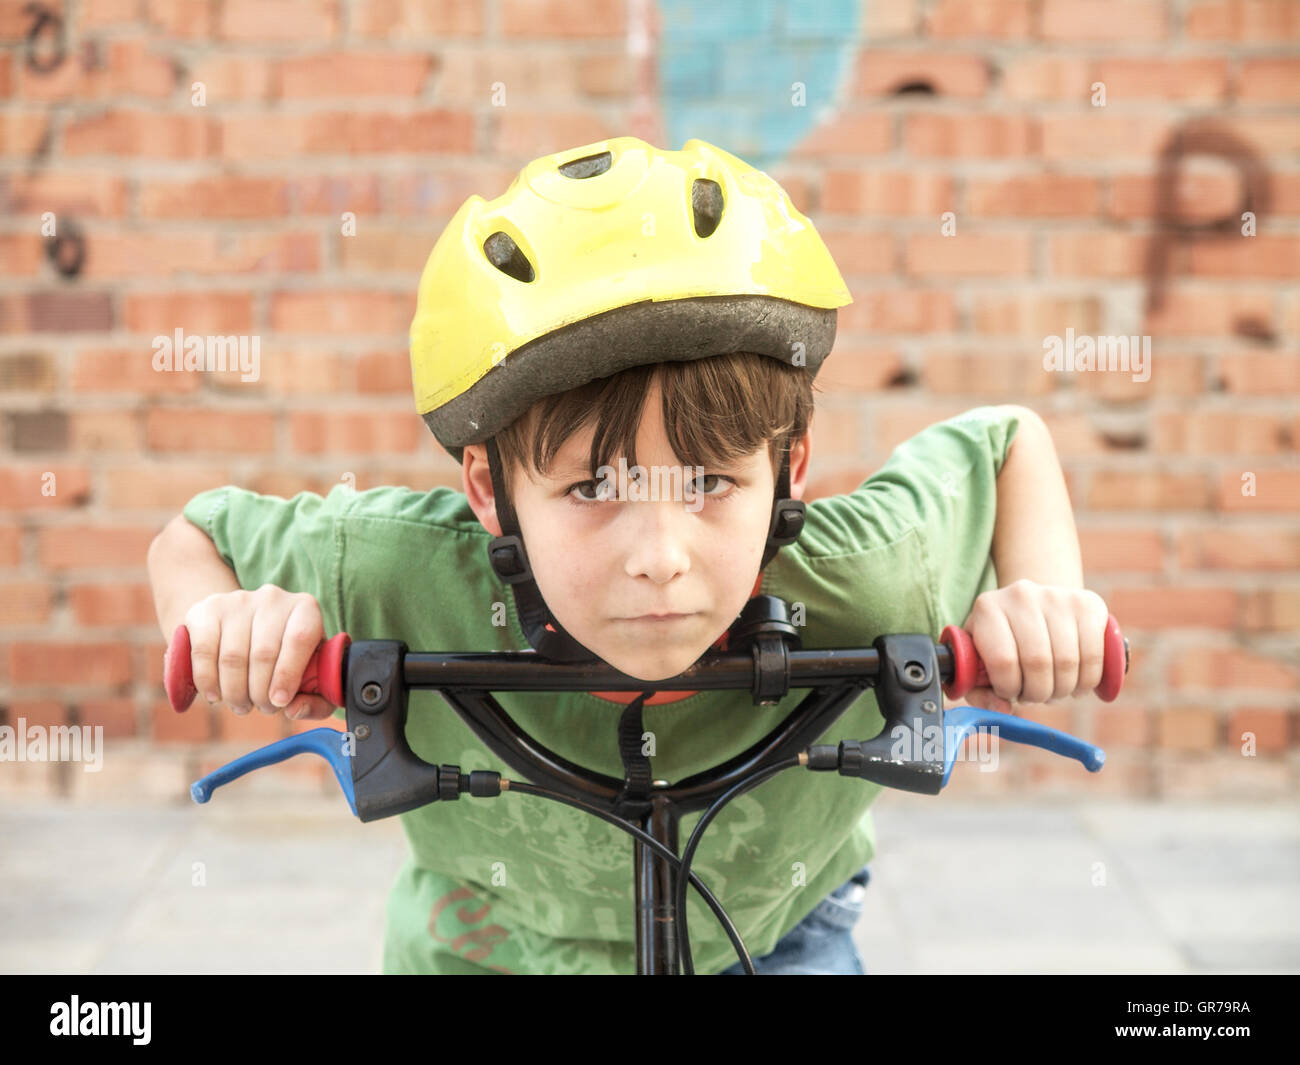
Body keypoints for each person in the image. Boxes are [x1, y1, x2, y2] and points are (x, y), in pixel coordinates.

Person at [148, 136, 1110, 975]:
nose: (660, 556)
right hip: (485, 950)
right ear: (490, 491)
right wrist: (223, 623)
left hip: (771, 935)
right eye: (594, 489)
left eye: (709, 485)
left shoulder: (871, 574)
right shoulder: (396, 571)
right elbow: (192, 538)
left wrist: (1043, 596)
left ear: (790, 471)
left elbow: (1008, 439)